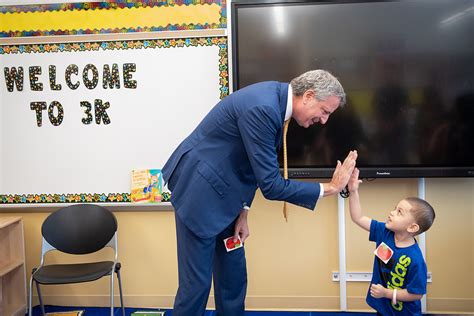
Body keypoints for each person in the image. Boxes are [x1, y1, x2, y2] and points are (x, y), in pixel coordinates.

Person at [162, 69, 358, 316]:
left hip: (228, 194)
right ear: (308, 96)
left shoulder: (276, 102)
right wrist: (331, 188)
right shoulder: (263, 108)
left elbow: (252, 165)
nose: (324, 120)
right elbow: (271, 185)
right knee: (196, 285)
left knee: (233, 276)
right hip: (200, 193)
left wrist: (243, 211)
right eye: (325, 111)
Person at [347, 168, 435, 315]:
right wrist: (353, 191)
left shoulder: (416, 259)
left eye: (399, 212)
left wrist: (387, 293)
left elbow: (417, 294)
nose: (391, 212)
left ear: (412, 227)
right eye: (395, 208)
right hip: (383, 309)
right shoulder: (384, 232)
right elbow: (358, 218)